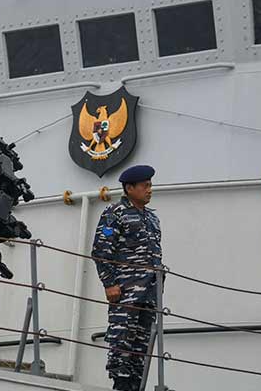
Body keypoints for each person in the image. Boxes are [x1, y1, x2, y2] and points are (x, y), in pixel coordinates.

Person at [92, 165, 162, 391]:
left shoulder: (152, 218)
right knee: (122, 340)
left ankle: (135, 385)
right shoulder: (115, 213)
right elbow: (101, 250)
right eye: (145, 186)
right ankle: (121, 385)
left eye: (150, 185)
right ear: (129, 188)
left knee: (142, 345)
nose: (149, 190)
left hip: (149, 294)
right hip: (126, 292)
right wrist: (109, 284)